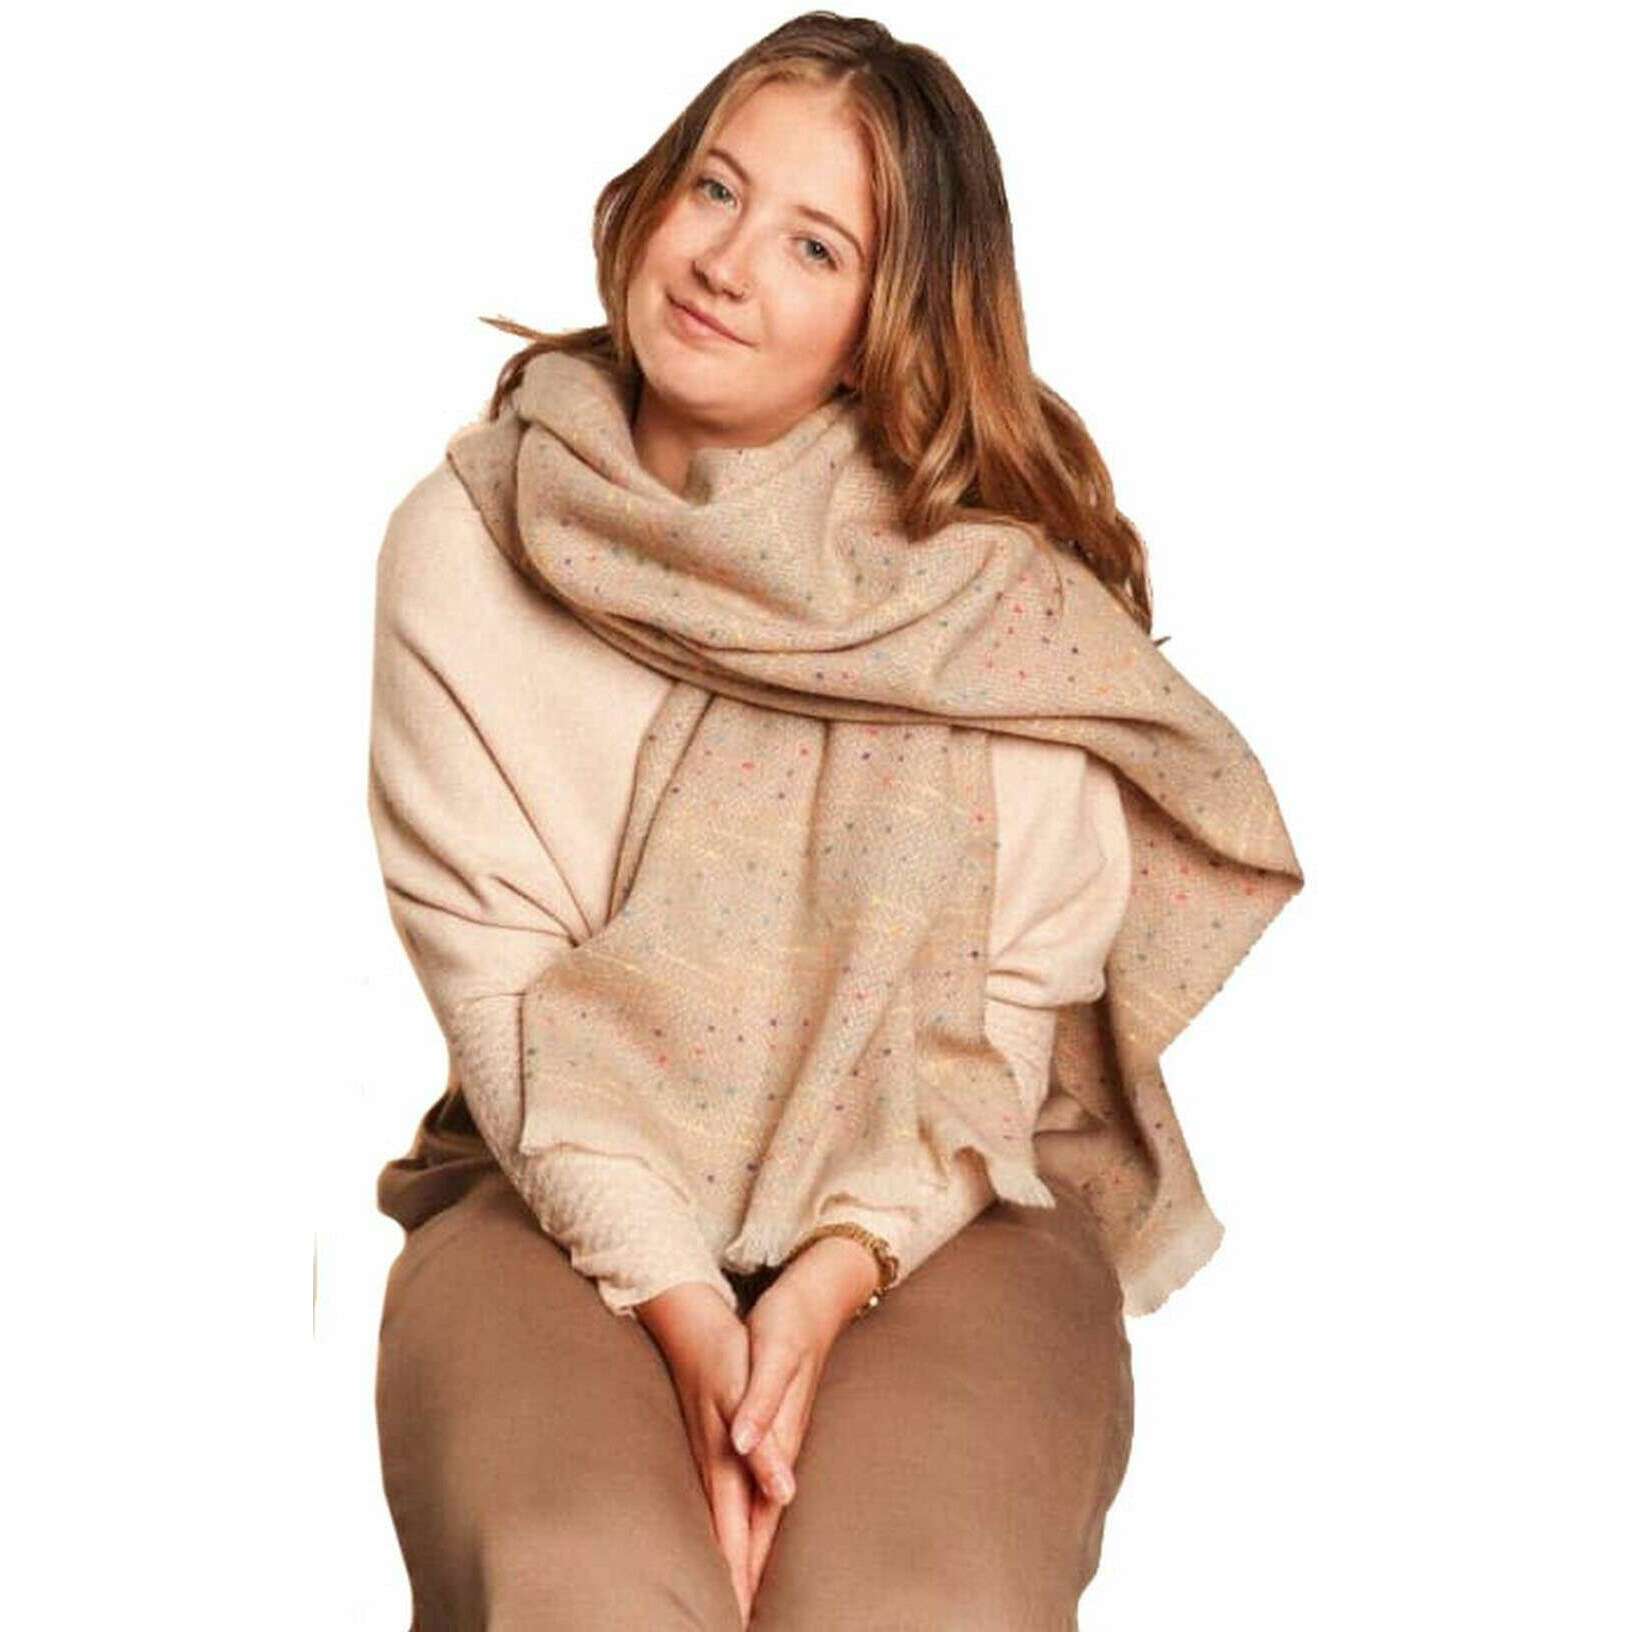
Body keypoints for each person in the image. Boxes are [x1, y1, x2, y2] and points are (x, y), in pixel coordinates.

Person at [366, 14, 1303, 1629]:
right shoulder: (472, 541)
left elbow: (1003, 1032)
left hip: (935, 1197)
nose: (727, 265)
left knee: (914, 1599)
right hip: (552, 1175)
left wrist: (816, 1289)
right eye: (716, 190)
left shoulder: (990, 609)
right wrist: (693, 1324)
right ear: (656, 195)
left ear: (885, 324)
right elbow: (503, 997)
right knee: (586, 1584)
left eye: (815, 246)